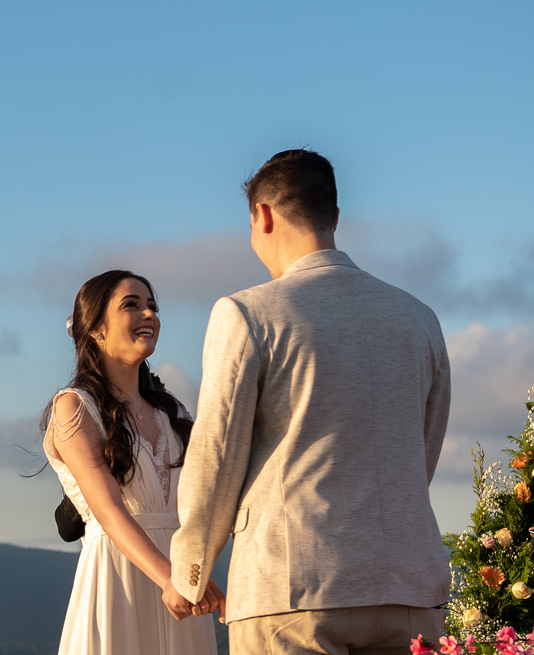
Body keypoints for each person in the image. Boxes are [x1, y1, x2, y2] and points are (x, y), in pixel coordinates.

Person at [167, 149, 452, 654]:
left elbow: (216, 457)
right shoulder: (419, 318)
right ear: (335, 216)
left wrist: (190, 571)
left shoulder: (248, 313)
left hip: (292, 587)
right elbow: (420, 453)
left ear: (263, 215)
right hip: (408, 588)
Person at [43, 269, 222, 655]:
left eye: (152, 306)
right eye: (132, 305)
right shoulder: (74, 407)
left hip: (179, 577)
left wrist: (194, 574)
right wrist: (169, 579)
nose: (149, 314)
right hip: (118, 578)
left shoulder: (173, 413)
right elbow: (108, 510)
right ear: (95, 328)